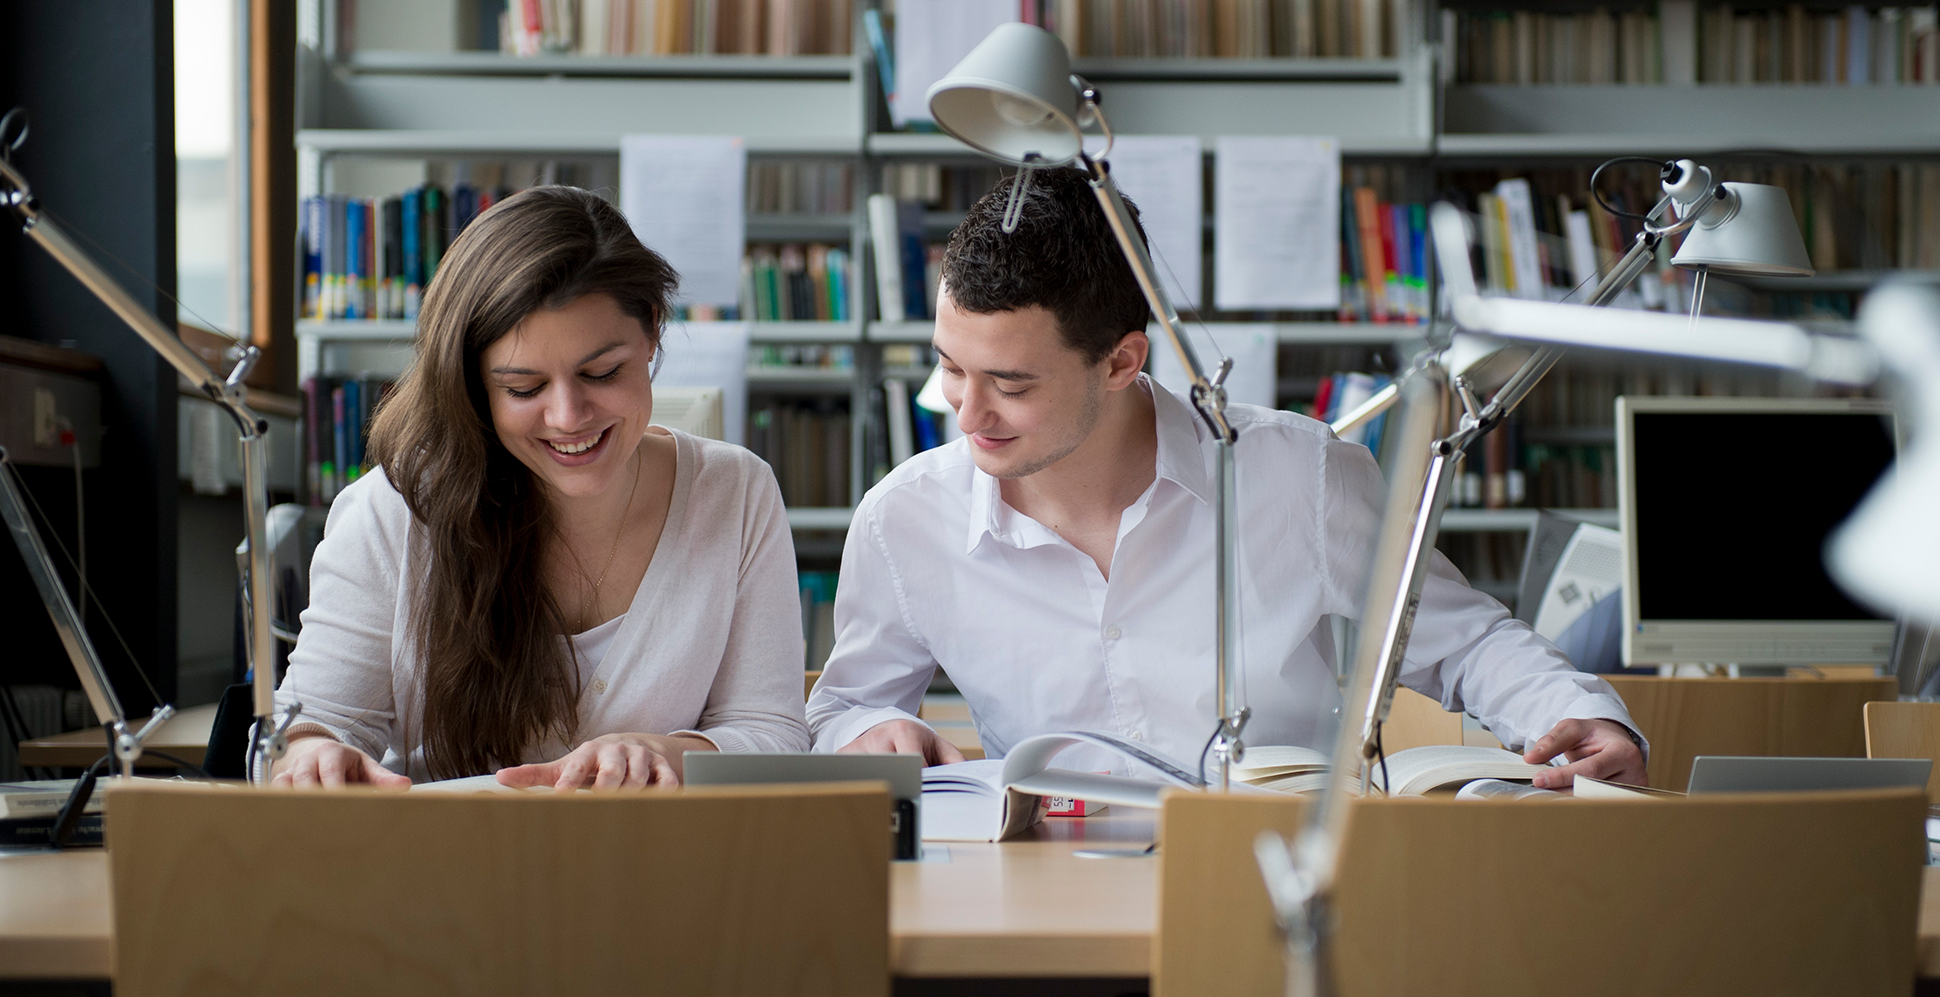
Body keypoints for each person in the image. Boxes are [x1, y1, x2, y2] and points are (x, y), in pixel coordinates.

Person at [807, 168, 1647, 788]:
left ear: (1121, 362)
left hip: (1276, 880)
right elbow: (841, 711)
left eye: (1012, 384)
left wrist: (1587, 720)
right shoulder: (904, 519)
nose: (966, 412)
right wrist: (871, 729)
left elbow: (1468, 642)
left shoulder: (1299, 476)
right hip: (1049, 886)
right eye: (951, 368)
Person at [269, 185, 809, 789]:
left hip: (658, 873)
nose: (568, 416)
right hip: (441, 870)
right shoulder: (395, 510)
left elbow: (772, 731)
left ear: (652, 331)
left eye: (602, 373)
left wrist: (669, 750)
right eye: (523, 389)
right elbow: (313, 723)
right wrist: (308, 756)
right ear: (475, 385)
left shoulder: (734, 492)